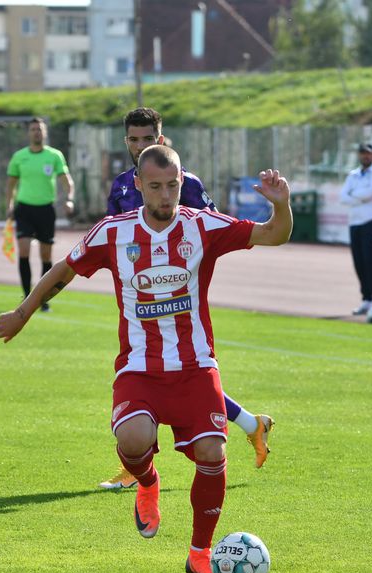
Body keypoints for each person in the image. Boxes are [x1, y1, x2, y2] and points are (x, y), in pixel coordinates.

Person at [0, 145, 292, 573]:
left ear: (182, 182)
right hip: (139, 368)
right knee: (132, 439)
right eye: (155, 186)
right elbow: (63, 271)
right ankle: (148, 483)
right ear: (138, 185)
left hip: (195, 365)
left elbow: (272, 234)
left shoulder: (202, 226)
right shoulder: (114, 232)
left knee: (212, 450)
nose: (165, 195)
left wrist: (282, 206)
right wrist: (21, 314)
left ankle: (200, 553)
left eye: (172, 185)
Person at [98, 106, 273, 491]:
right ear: (125, 141)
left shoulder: (186, 183)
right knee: (159, 375)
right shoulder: (122, 187)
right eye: (133, 139)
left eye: (147, 139)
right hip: (140, 300)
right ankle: (250, 423)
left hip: (180, 294)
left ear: (161, 140)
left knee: (182, 373)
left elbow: (207, 230)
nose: (139, 145)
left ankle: (138, 471)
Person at [5, 117, 74, 313]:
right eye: (33, 129)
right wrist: (9, 204)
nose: (37, 132)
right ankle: (26, 297)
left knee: (46, 255)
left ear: (44, 133)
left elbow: (66, 180)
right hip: (24, 209)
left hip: (45, 209)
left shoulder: (54, 156)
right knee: (24, 250)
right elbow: (10, 184)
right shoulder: (19, 157)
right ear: (29, 133)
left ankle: (43, 299)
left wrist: (69, 198)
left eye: (40, 129)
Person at [339, 143, 372, 323]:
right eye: (362, 154)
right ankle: (366, 298)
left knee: (371, 260)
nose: (365, 157)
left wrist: (355, 195)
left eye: (368, 154)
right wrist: (358, 196)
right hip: (355, 221)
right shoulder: (353, 175)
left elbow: (369, 194)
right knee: (359, 262)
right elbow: (343, 196)